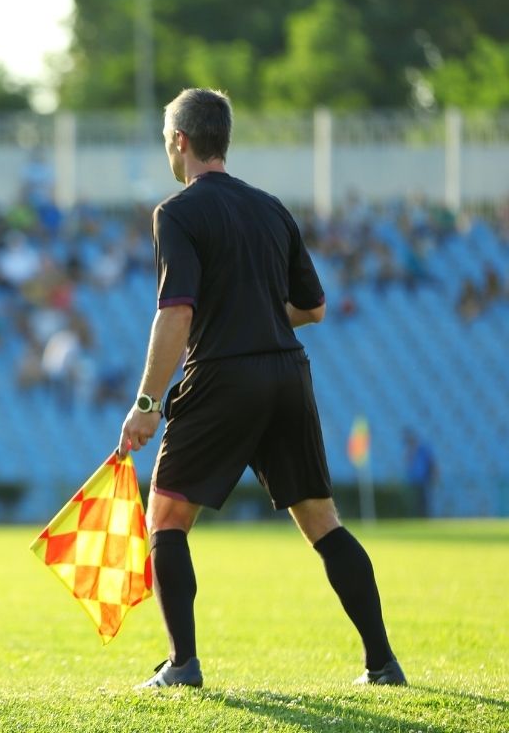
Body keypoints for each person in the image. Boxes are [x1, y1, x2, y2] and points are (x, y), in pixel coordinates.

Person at [118, 88, 404, 689]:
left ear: (180, 141)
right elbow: (314, 308)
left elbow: (176, 312)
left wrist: (146, 403)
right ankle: (383, 663)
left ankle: (183, 665)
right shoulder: (273, 209)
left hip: (222, 375)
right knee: (323, 522)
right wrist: (256, 314)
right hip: (286, 372)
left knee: (165, 518)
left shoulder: (176, 212)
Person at [402, 429, 436, 517]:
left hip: (423, 479)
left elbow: (431, 463)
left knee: (423, 500)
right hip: (413, 480)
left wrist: (433, 474)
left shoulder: (423, 450)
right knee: (414, 500)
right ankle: (415, 515)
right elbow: (408, 464)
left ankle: (424, 516)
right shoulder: (408, 451)